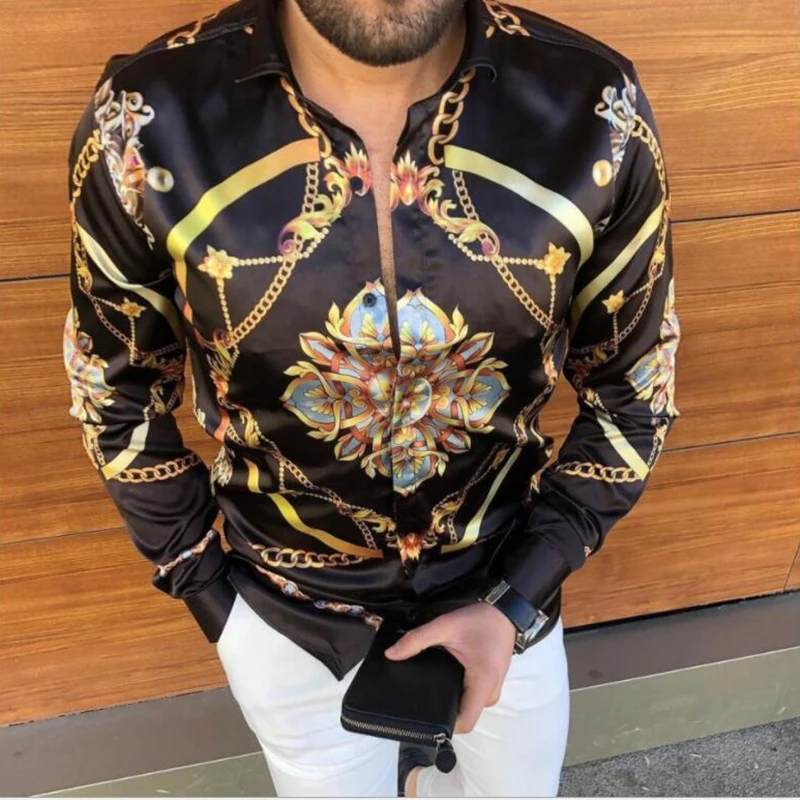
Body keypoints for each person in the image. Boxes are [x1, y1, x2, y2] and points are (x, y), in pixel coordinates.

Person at [62, 0, 681, 795]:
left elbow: (635, 392)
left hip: (510, 588)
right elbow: (113, 390)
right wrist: (216, 602)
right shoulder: (145, 122)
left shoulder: (597, 112)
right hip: (285, 620)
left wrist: (520, 597)